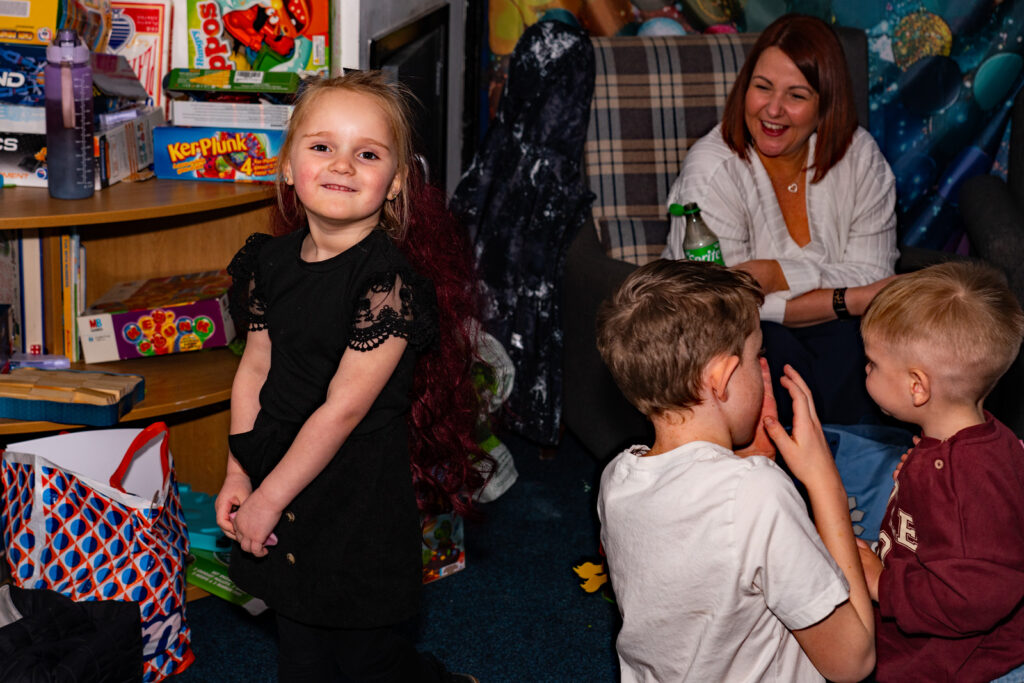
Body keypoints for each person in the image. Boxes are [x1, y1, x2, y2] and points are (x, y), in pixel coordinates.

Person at [214, 70, 484, 683]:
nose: (342, 164)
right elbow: (255, 367)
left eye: (367, 154)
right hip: (278, 470)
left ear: (395, 183)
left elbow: (343, 409)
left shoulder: (387, 285)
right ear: (287, 167)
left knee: (367, 658)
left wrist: (268, 499)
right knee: (301, 650)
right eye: (321, 146)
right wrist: (239, 471)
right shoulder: (268, 262)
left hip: (353, 496)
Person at [595, 258, 875, 682]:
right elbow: (853, 662)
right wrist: (824, 482)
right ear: (723, 378)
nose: (763, 368)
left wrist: (749, 460)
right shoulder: (757, 494)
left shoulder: (616, 478)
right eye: (757, 354)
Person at [663, 13, 899, 426]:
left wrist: (775, 274)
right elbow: (725, 305)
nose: (772, 109)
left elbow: (875, 274)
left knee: (868, 344)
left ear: (826, 104)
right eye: (762, 87)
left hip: (836, 333)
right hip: (722, 335)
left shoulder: (860, 157)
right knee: (772, 349)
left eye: (796, 95)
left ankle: (855, 460)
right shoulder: (712, 170)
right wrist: (849, 299)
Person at [855, 261, 1024, 683]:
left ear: (917, 386)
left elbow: (972, 597)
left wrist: (880, 585)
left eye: (872, 363)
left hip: (954, 662)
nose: (865, 370)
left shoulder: (966, 478)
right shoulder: (977, 441)